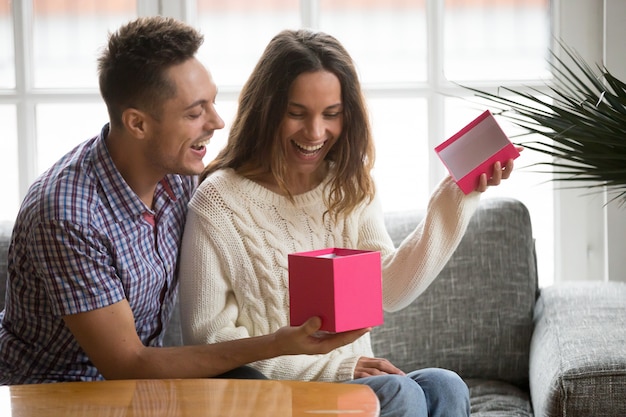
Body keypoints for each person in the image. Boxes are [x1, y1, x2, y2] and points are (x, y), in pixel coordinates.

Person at [0, 17, 368, 385]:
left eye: (212, 102)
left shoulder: (179, 174)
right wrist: (276, 344)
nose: (218, 121)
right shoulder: (67, 216)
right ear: (138, 124)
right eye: (195, 112)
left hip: (141, 390)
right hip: (53, 395)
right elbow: (127, 365)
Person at [178, 29, 518, 417]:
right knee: (398, 393)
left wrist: (458, 193)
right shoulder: (219, 202)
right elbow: (209, 342)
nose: (315, 132)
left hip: (354, 384)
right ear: (267, 109)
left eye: (331, 114)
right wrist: (337, 368)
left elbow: (390, 289)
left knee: (444, 385)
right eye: (296, 113)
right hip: (274, 394)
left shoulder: (349, 185)